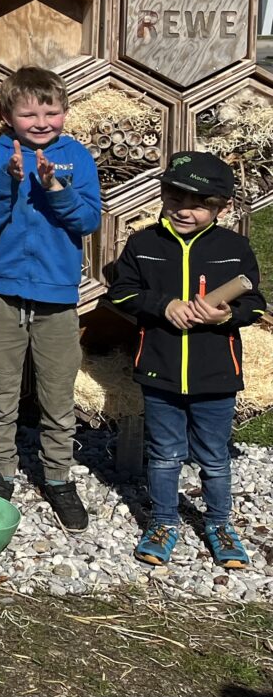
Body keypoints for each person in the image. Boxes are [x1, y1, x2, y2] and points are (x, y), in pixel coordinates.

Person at [108, 152, 266, 568]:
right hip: (159, 370)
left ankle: (219, 524)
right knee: (163, 454)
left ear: (222, 207)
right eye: (174, 197)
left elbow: (254, 303)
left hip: (216, 374)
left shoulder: (235, 248)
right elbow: (121, 291)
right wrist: (164, 305)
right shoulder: (144, 243)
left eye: (198, 203)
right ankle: (163, 522)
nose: (184, 209)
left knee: (214, 457)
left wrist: (227, 314)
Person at [0, 66, 101, 531]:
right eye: (29, 113)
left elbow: (87, 220)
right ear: (9, 116)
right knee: (1, 393)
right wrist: (10, 180)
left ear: (65, 112)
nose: (41, 121)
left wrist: (55, 188)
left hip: (57, 299)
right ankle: (1, 473)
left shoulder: (77, 157)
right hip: (2, 294)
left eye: (51, 111)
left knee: (57, 394)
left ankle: (59, 476)